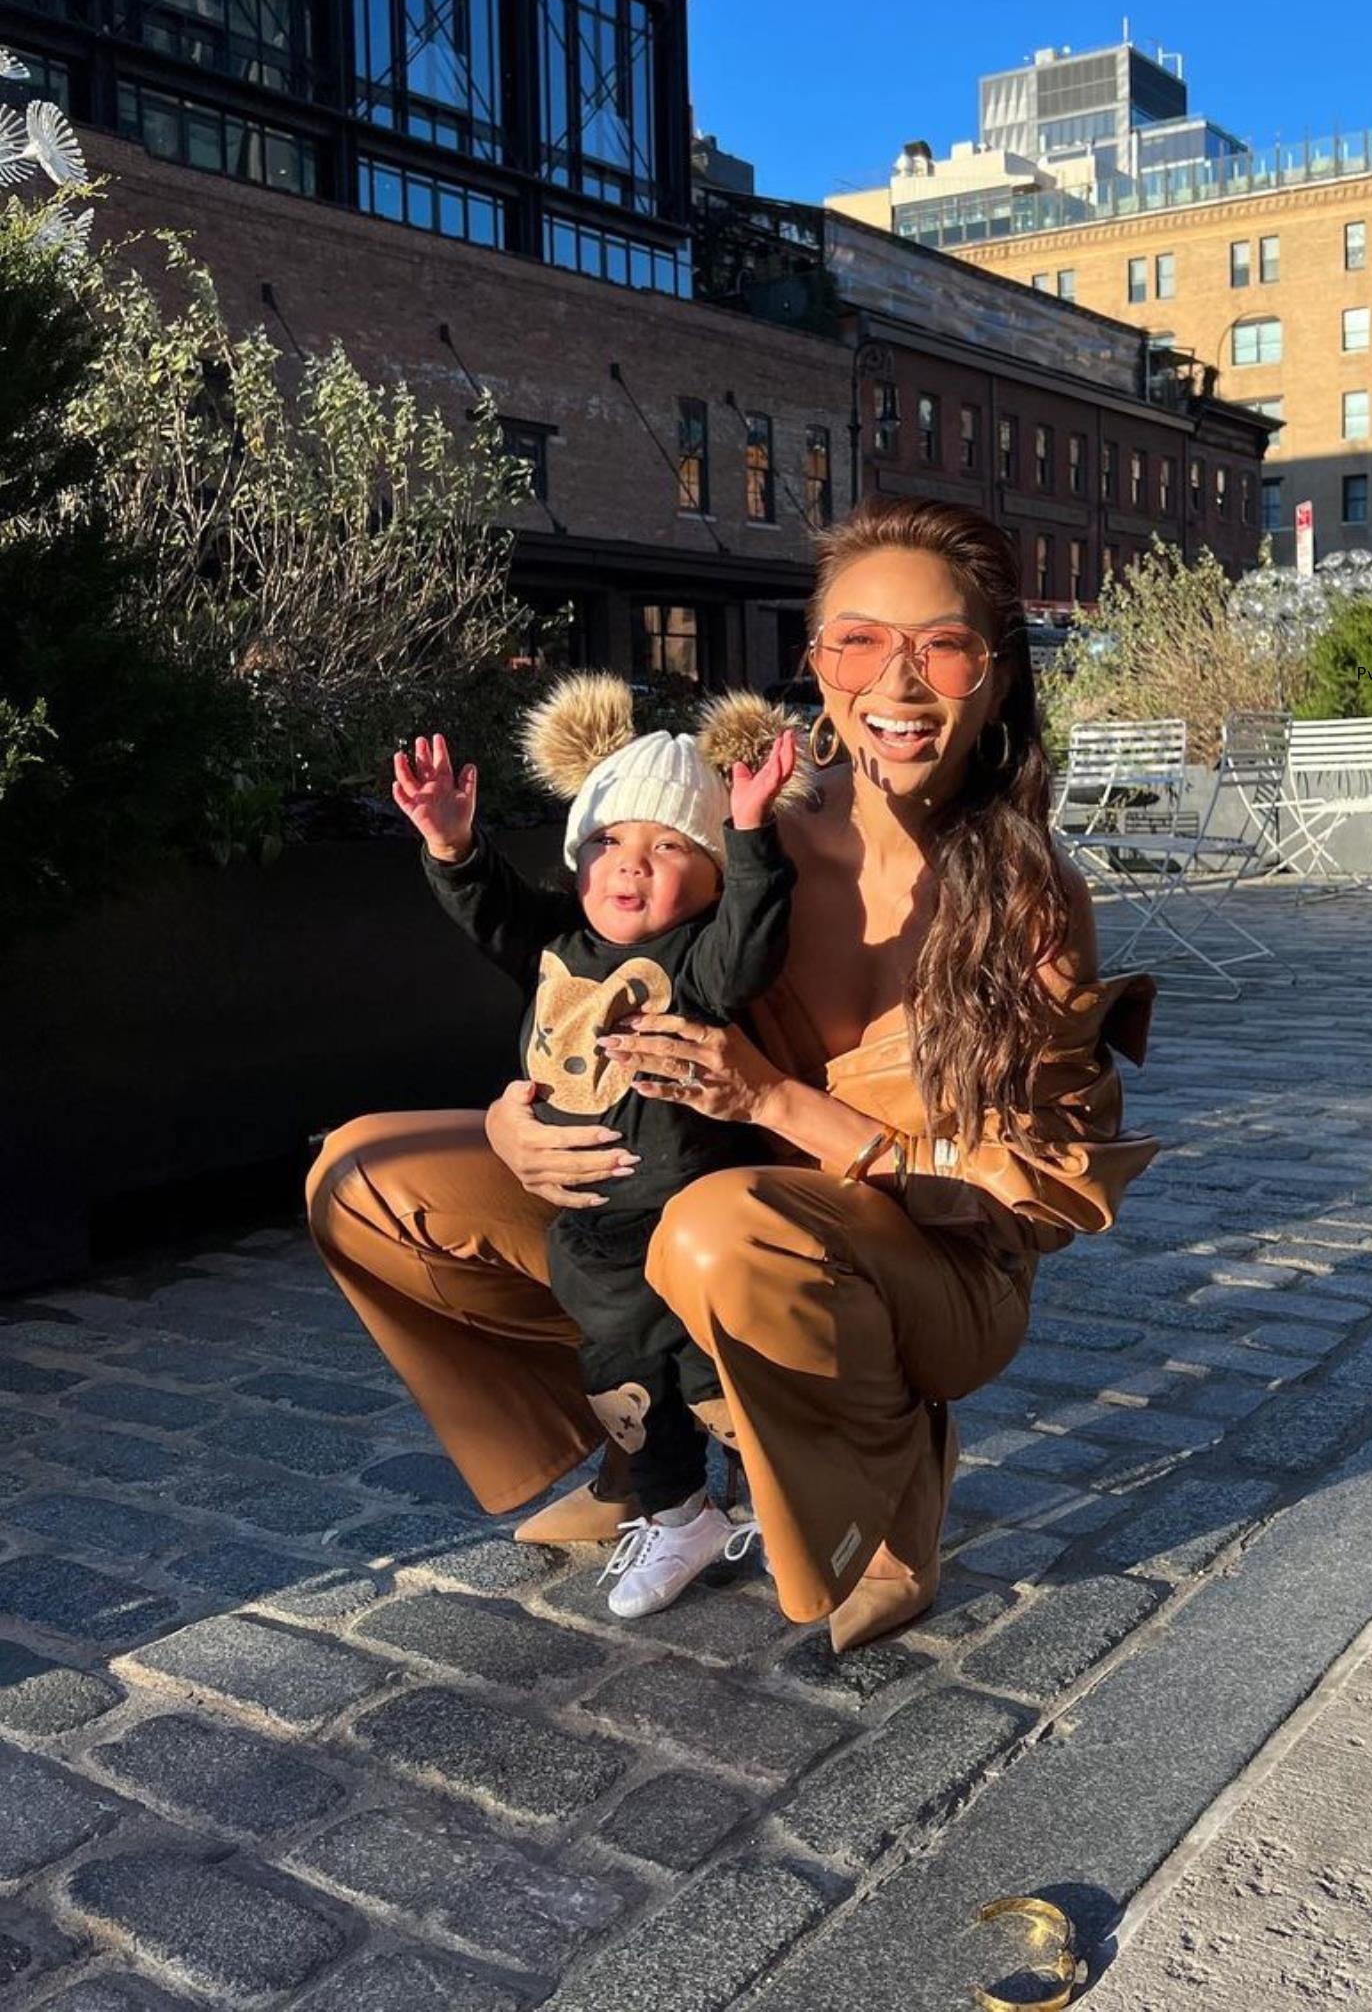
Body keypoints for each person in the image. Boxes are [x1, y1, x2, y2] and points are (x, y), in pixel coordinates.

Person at [308, 496, 1157, 1652]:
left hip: (938, 1273)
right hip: (698, 1212)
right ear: (817, 660)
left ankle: (885, 1494)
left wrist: (773, 1102)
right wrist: (516, 1124)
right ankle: (637, 1455)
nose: (897, 686)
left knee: (716, 1228)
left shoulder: (1030, 900)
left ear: (997, 678)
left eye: (944, 648)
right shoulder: (747, 844)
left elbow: (1030, 1189)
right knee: (364, 1177)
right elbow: (592, 981)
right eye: (859, 642)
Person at [387, 681, 801, 1614]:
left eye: (668, 847)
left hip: (696, 1218)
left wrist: (747, 835)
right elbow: (489, 909)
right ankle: (678, 1517)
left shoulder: (697, 958)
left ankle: (783, 1501)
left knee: (714, 1376)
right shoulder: (558, 941)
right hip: (597, 1233)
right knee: (623, 1383)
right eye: (609, 841)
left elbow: (750, 947)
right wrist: (452, 844)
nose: (631, 866)